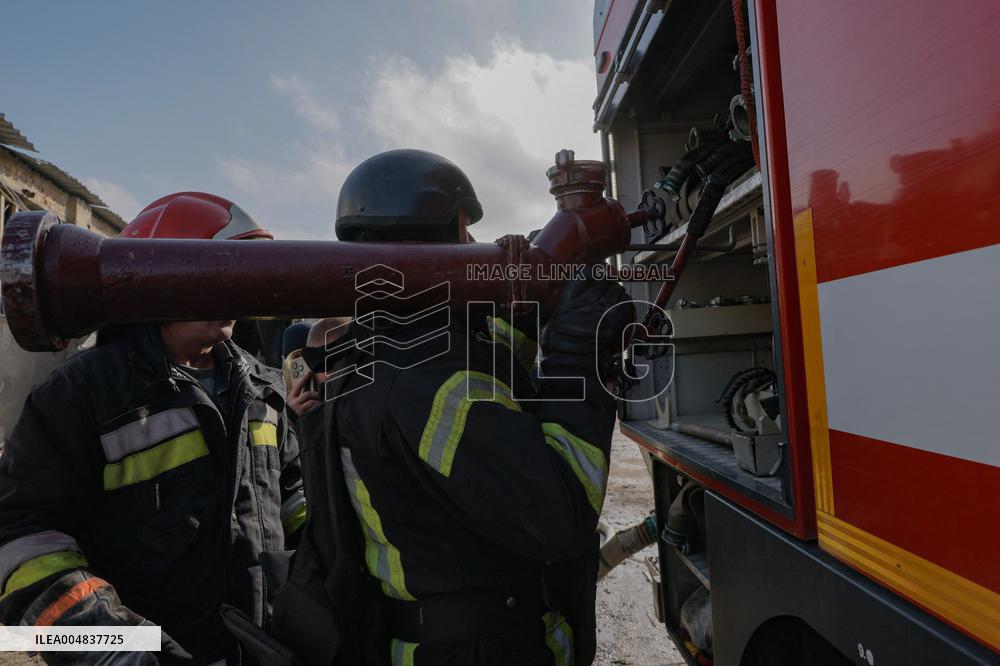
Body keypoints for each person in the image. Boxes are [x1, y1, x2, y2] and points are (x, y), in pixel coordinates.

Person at [271, 150, 631, 666]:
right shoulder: (424, 381)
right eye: (463, 234)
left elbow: (495, 369)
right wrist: (576, 350)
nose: (471, 248)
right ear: (427, 245)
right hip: (478, 650)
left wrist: (529, 303)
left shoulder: (389, 347)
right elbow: (561, 514)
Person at [0, 192, 305, 664]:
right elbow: (21, 541)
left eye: (242, 273)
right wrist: (123, 651)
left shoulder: (263, 390)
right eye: (217, 273)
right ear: (150, 282)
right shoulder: (84, 392)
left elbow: (292, 497)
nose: (237, 290)